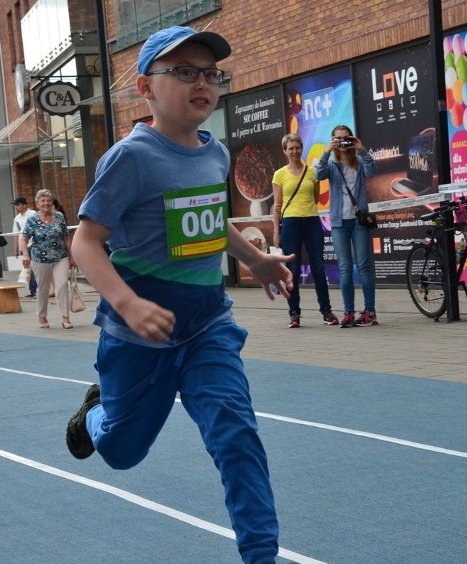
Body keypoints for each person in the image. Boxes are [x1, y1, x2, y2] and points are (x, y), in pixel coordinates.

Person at [67, 26, 293, 564]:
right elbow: (85, 243)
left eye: (210, 74)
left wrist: (255, 260)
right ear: (145, 87)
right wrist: (128, 303)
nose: (202, 83)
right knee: (121, 451)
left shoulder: (215, 155)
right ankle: (94, 414)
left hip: (206, 325)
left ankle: (260, 555)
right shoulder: (131, 158)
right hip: (139, 333)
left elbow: (212, 221)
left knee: (235, 431)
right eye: (184, 72)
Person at [315, 124, 379, 328]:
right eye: (338, 139)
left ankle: (370, 311)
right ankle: (348, 312)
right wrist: (326, 152)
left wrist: (362, 149)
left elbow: (372, 171)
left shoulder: (358, 161)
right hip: (338, 222)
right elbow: (318, 175)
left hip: (358, 220)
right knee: (344, 268)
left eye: (346, 138)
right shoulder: (331, 164)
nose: (342, 142)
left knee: (364, 266)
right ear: (333, 141)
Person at [272, 133, 338, 328]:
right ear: (285, 151)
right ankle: (294, 313)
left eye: (297, 147)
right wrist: (276, 231)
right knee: (292, 270)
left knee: (318, 267)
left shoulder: (311, 172)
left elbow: (315, 198)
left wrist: (307, 212)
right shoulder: (280, 174)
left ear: (302, 149)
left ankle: (326, 311)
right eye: (290, 148)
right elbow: (277, 206)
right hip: (290, 224)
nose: (294, 151)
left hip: (311, 222)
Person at [19, 189, 75, 329]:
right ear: (37, 204)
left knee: (62, 285)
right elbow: (23, 238)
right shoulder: (32, 220)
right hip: (40, 259)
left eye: (48, 200)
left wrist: (72, 256)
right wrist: (25, 254)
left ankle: (65, 318)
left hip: (60, 257)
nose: (46, 203)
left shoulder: (59, 216)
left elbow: (66, 237)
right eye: (43, 201)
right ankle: (42, 316)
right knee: (43, 288)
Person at [12, 196, 38, 297]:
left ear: (24, 205)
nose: (16, 207)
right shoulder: (17, 218)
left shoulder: (33, 214)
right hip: (23, 245)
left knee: (34, 267)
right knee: (27, 268)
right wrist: (15, 249)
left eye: (17, 205)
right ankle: (32, 290)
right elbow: (15, 234)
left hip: (33, 243)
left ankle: (36, 290)